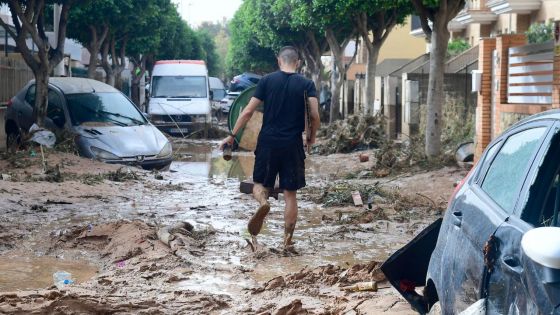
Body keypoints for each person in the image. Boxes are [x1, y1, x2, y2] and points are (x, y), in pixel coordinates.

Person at [220, 46, 320, 251]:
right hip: (292, 144)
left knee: (259, 184)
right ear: (298, 62)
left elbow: (248, 111)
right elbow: (315, 114)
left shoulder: (266, 81)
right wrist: (311, 138)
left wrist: (232, 135)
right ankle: (287, 241)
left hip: (267, 142)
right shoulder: (306, 84)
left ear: (278, 60)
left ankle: (263, 203)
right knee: (290, 194)